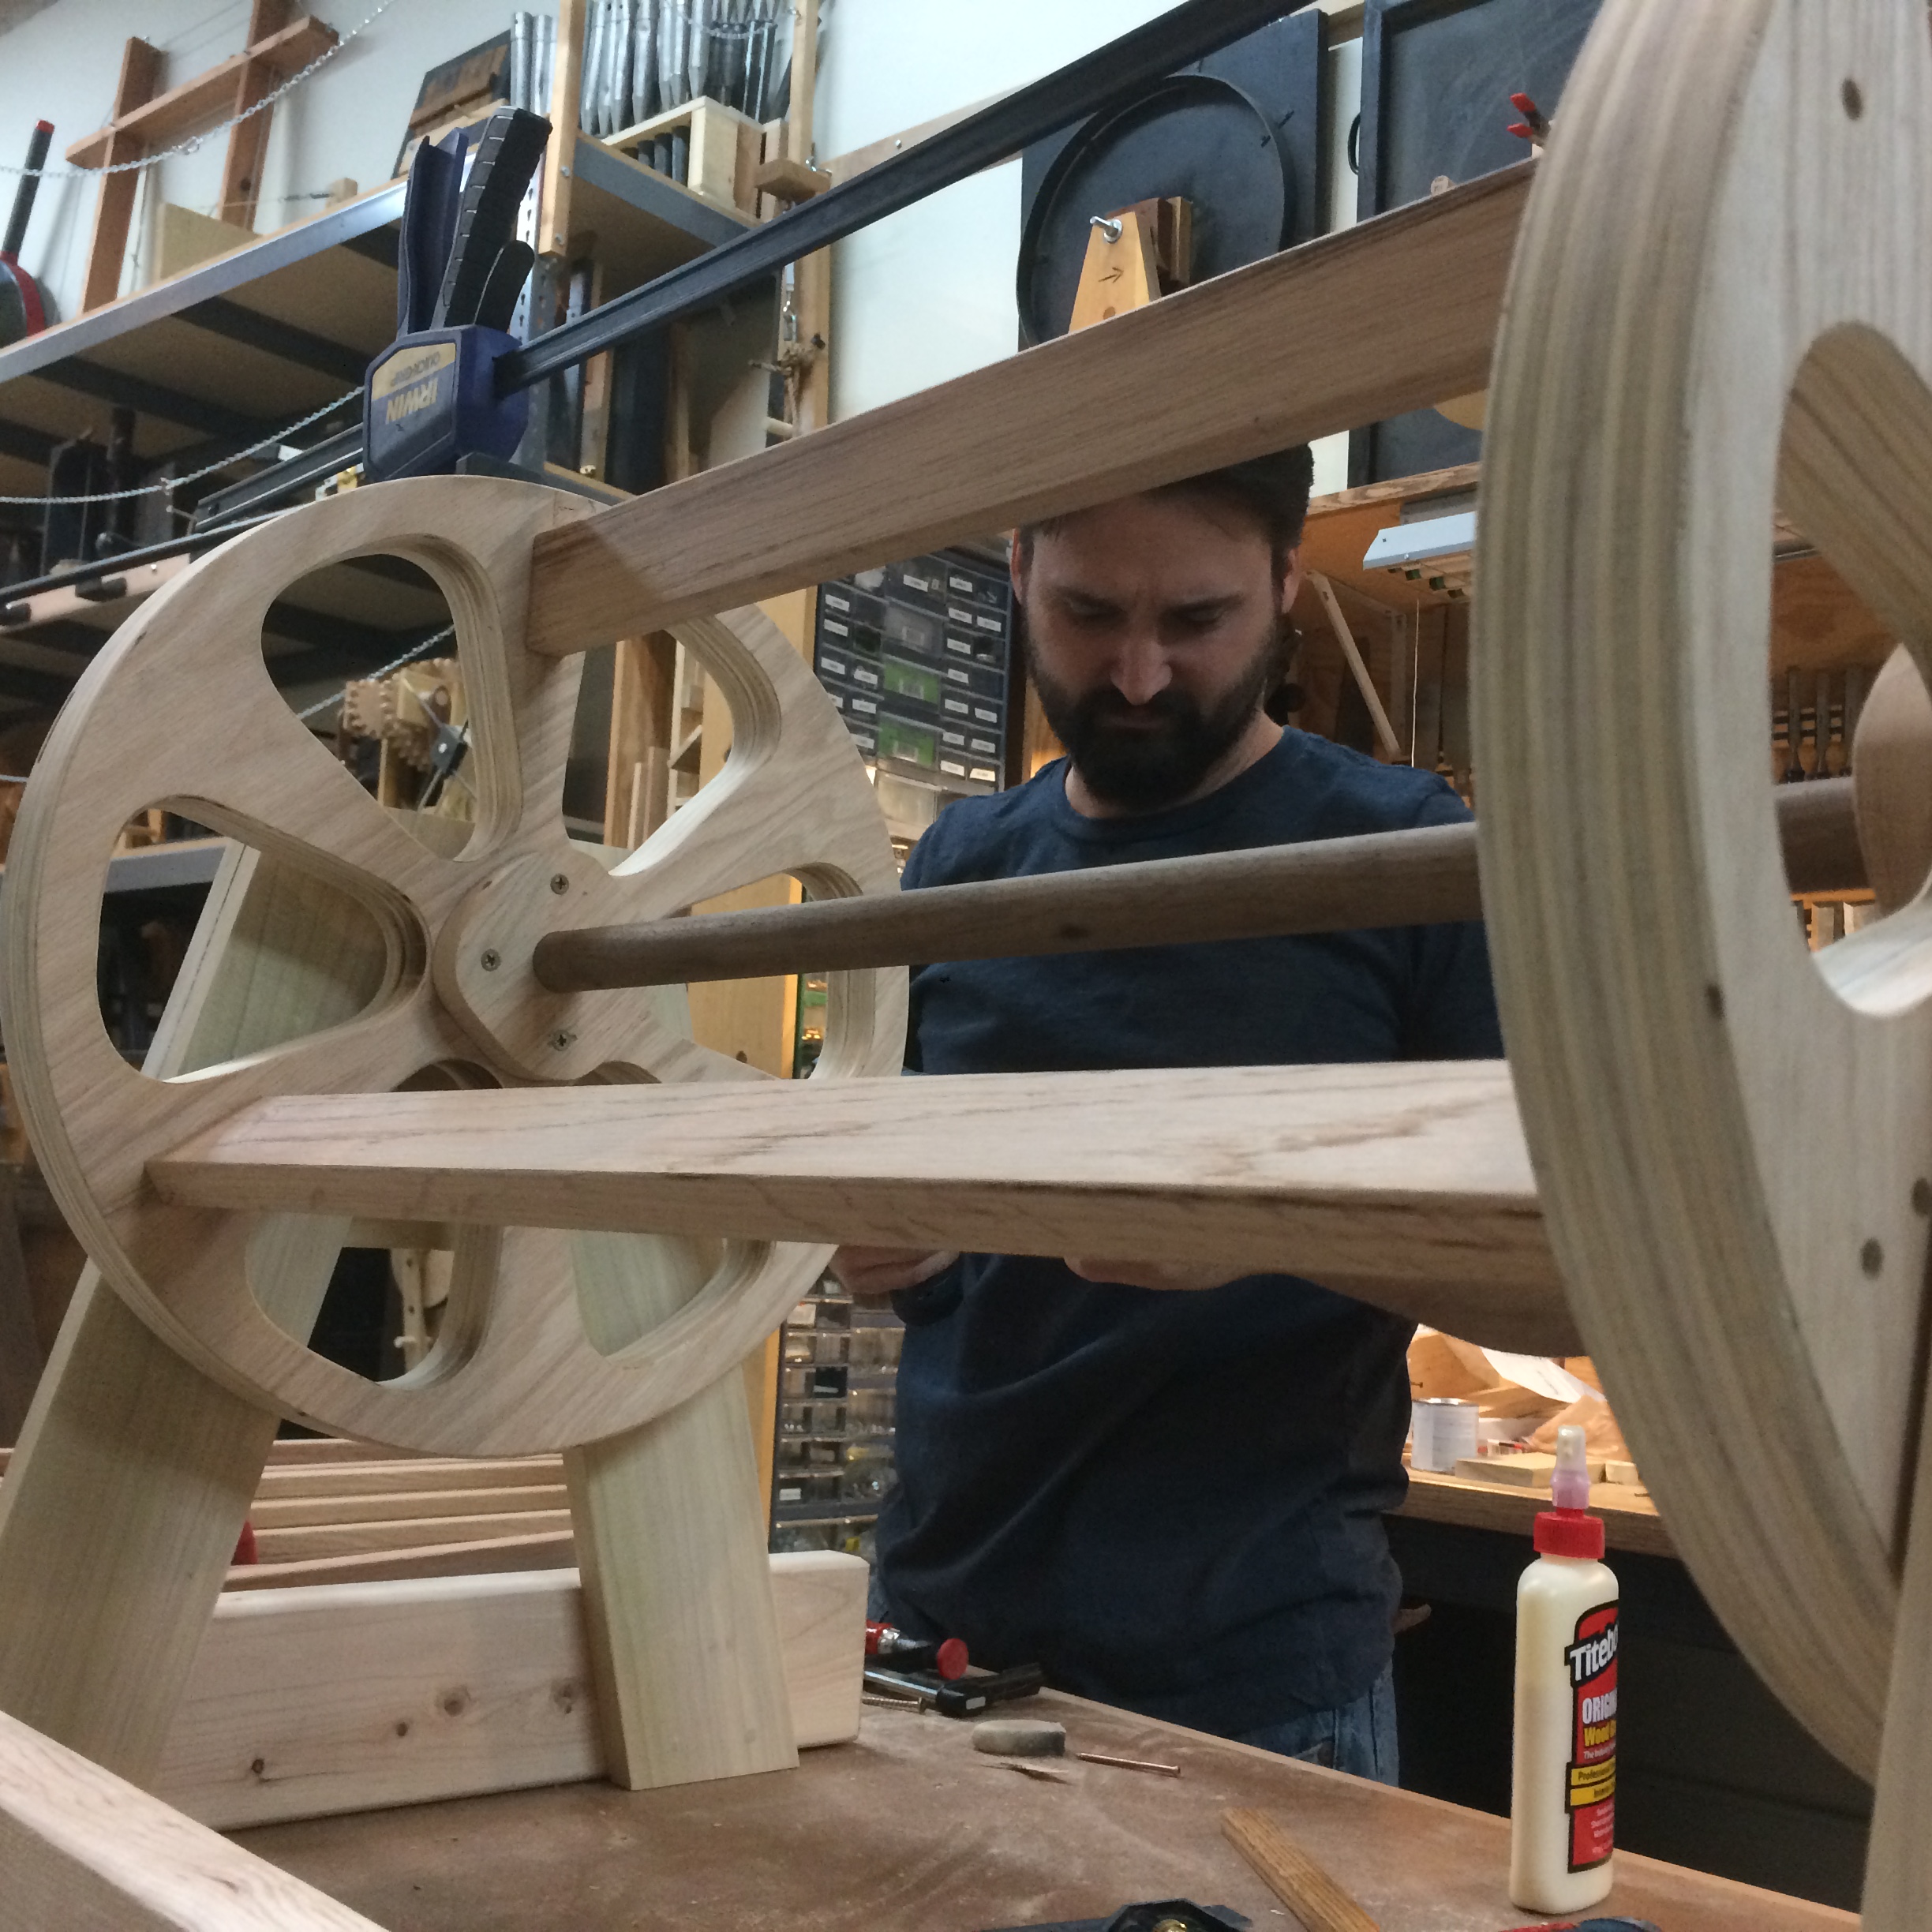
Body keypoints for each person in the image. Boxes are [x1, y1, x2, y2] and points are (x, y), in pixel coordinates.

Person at [833, 446, 1502, 1784]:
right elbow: (929, 1256)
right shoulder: (963, 867)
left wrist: (1263, 1230)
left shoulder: (1408, 859)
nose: (1137, 675)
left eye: (1196, 623)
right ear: (1018, 574)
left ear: (1285, 587)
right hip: (936, 1640)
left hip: (1247, 1681)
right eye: (1089, 616)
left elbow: (1563, 1286)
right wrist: (886, 1250)